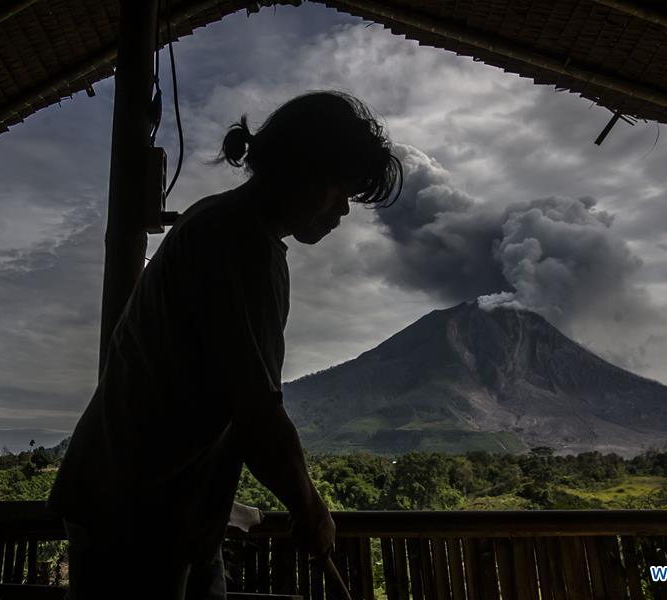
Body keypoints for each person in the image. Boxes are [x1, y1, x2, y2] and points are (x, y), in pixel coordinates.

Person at [47, 90, 403, 599]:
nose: (343, 210)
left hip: (164, 513)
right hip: (135, 518)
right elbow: (256, 411)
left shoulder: (220, 224)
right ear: (300, 169)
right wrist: (311, 508)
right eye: (338, 189)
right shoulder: (240, 244)